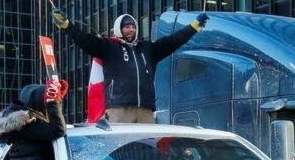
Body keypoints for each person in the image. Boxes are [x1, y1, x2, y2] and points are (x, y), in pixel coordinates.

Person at [52, 9, 208, 123]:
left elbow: (174, 41)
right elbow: (84, 40)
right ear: (119, 28)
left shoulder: (148, 49)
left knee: (148, 149)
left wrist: (193, 27)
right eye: (127, 27)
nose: (131, 29)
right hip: (119, 109)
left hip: (146, 110)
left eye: (133, 27)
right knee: (119, 149)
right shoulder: (108, 47)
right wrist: (67, 26)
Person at [0, 82, 66, 160]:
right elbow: (58, 130)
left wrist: (54, 101)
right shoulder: (25, 125)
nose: (47, 110)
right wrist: (52, 102)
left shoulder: (25, 124)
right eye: (45, 103)